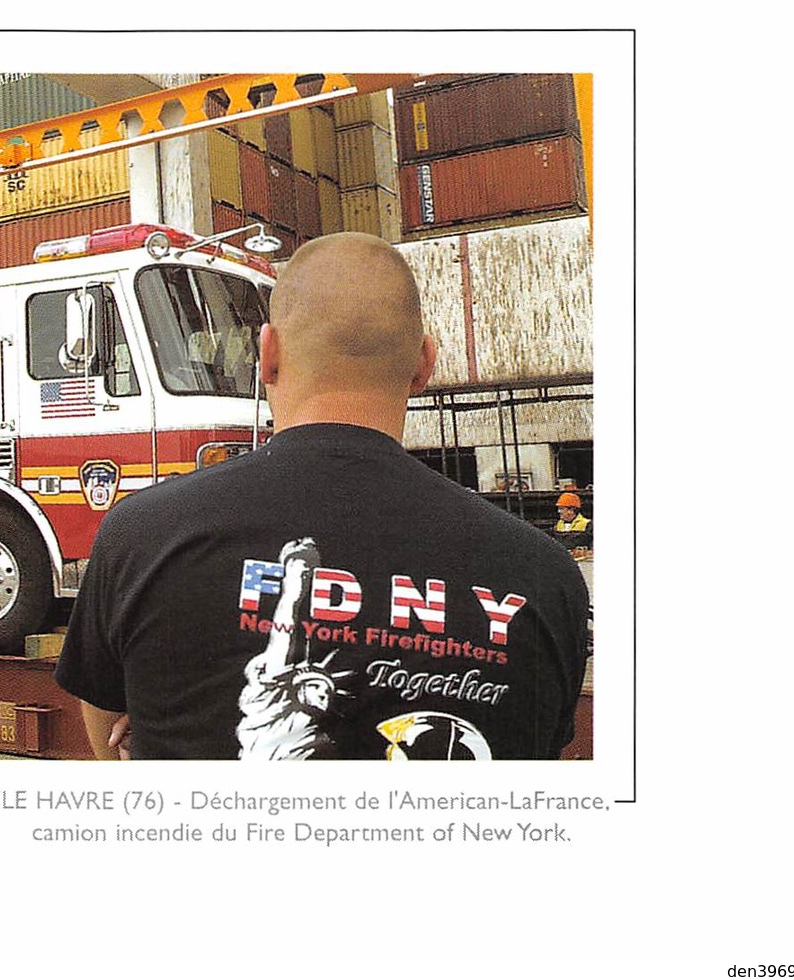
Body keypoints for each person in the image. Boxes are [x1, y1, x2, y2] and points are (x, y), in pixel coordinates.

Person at [55, 233, 590, 760]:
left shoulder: (142, 535)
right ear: (424, 364)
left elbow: (105, 722)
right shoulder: (545, 575)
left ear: (266, 354)